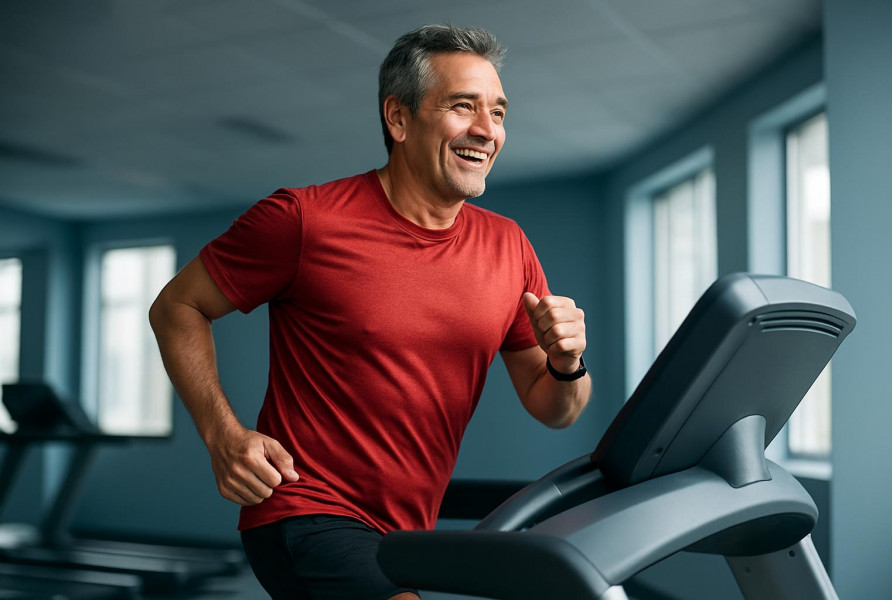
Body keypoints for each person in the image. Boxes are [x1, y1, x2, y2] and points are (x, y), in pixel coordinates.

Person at [149, 24, 591, 600]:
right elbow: (176, 306)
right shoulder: (304, 220)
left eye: (499, 113)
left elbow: (555, 408)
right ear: (398, 118)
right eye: (463, 107)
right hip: (304, 508)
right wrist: (222, 436)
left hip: (405, 529)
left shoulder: (509, 246)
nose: (487, 130)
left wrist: (566, 362)